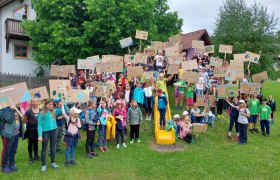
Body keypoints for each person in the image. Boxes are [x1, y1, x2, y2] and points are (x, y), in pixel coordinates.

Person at [37, 99, 59, 172]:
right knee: (44, 148)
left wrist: (63, 104)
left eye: (52, 104)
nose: (51, 106)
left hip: (54, 131)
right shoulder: (42, 113)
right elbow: (39, 125)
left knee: (53, 148)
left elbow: (65, 111)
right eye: (50, 104)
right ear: (46, 105)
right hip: (45, 132)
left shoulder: (54, 111)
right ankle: (44, 165)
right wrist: (40, 135)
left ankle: (53, 162)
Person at [0, 105, 23, 173]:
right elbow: (9, 119)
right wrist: (12, 110)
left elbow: (20, 119)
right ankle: (4, 166)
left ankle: (11, 163)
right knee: (7, 150)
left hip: (16, 133)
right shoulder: (4, 110)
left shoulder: (16, 108)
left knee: (13, 150)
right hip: (8, 134)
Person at [23, 97, 41, 164]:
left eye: (36, 101)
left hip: (38, 129)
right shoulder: (28, 111)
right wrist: (25, 117)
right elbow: (24, 121)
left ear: (39, 102)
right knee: (30, 143)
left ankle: (36, 156)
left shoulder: (41, 110)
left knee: (36, 143)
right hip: (31, 130)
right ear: (31, 103)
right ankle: (31, 157)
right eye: (33, 101)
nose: (35, 103)